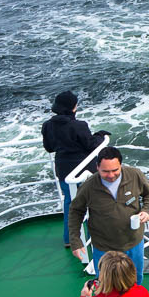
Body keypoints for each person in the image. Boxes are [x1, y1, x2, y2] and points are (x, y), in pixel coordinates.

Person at [69, 146, 149, 284]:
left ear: (120, 165)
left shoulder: (135, 175)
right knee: (105, 284)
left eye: (115, 170)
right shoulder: (89, 187)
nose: (111, 175)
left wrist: (147, 210)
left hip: (133, 242)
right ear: (97, 167)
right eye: (105, 171)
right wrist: (75, 240)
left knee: (136, 280)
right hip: (104, 248)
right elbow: (75, 211)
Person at [42, 90, 110, 248]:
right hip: (84, 170)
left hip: (64, 171)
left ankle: (70, 239)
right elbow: (91, 144)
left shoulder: (48, 126)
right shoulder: (78, 125)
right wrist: (101, 135)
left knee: (70, 204)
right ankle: (101, 237)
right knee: (95, 200)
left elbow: (49, 148)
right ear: (73, 107)